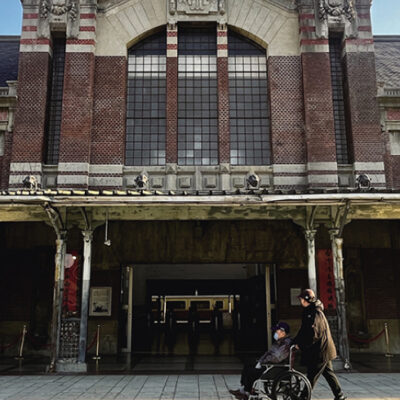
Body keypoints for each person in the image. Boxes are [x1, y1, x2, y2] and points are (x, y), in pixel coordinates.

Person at [293, 289, 347, 400]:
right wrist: (294, 341)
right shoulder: (308, 311)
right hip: (322, 349)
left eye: (302, 299)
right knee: (328, 373)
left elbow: (313, 334)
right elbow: (303, 330)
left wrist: (301, 345)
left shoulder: (315, 313)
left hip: (321, 349)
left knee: (312, 374)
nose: (301, 301)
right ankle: (339, 395)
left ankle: (304, 397)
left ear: (307, 300)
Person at [229, 322, 292, 400]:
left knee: (252, 371)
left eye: (277, 331)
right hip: (269, 364)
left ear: (283, 332)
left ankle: (247, 392)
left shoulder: (286, 343)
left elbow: (277, 358)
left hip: (275, 367)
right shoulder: (279, 341)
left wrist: (263, 361)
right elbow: (268, 353)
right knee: (248, 364)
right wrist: (260, 361)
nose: (275, 332)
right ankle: (243, 389)